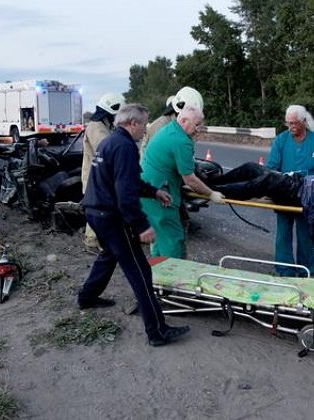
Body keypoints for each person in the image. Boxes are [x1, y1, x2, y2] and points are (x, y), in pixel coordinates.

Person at [77, 104, 190, 347]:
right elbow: (125, 193)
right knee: (140, 271)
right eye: (144, 124)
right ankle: (157, 332)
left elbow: (128, 180)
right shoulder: (125, 146)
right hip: (109, 215)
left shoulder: (111, 142)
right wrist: (141, 226)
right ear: (132, 124)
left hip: (94, 210)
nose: (145, 130)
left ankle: (86, 297)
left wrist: (154, 192)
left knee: (108, 255)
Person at [201, 161, 314, 241]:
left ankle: (211, 189)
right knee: (251, 168)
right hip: (295, 182)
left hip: (295, 193)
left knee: (260, 184)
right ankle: (212, 183)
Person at [141, 105, 224, 258]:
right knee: (173, 238)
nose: (198, 129)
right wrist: (211, 194)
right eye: (197, 125)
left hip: (149, 190)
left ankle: (157, 274)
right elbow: (190, 179)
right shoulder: (181, 141)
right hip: (160, 194)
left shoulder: (169, 129)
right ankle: (174, 275)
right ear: (184, 120)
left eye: (201, 125)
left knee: (161, 236)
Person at [266, 105, 314, 277]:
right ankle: (284, 271)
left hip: (309, 197)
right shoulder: (281, 140)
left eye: (294, 123)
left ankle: (306, 272)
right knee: (283, 235)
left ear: (304, 121)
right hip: (285, 194)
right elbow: (271, 167)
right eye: (288, 123)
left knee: (306, 236)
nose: (291, 127)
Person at [81, 92, 126, 251]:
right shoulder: (97, 128)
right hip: (95, 178)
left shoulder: (101, 126)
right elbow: (107, 151)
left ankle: (93, 240)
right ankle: (95, 243)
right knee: (98, 210)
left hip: (98, 177)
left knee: (97, 209)